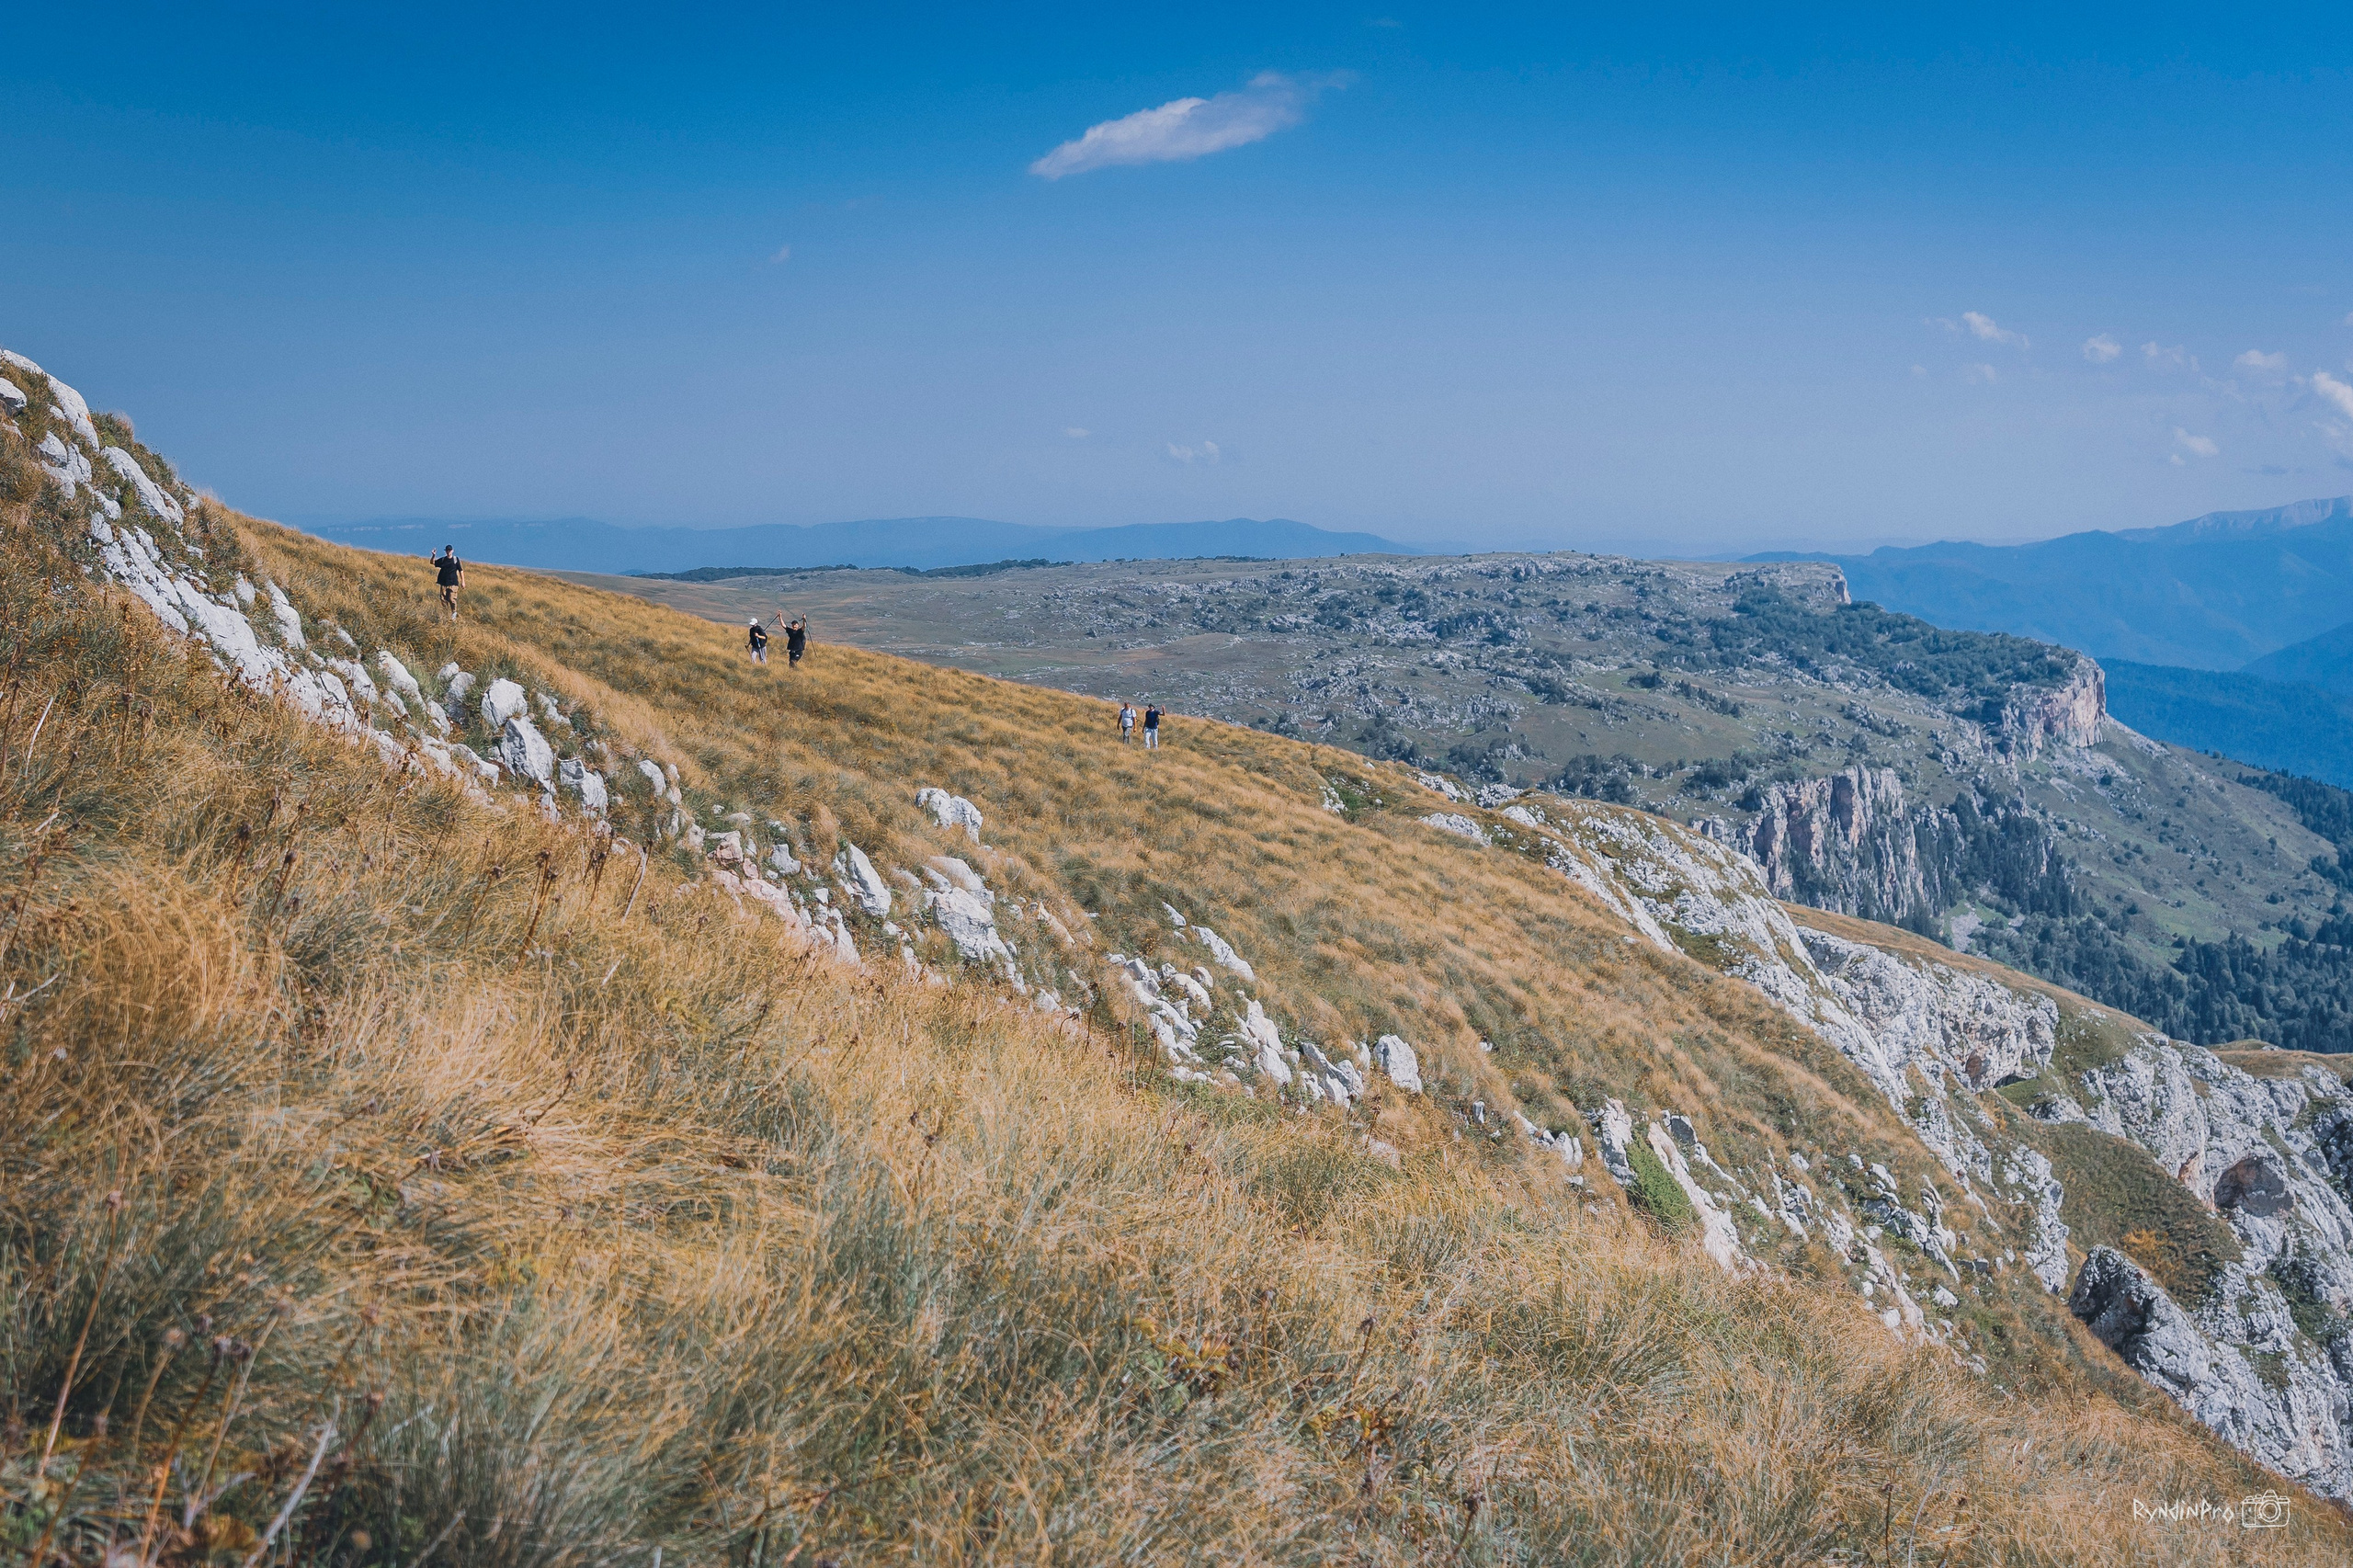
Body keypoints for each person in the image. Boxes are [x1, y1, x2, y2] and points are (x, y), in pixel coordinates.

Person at [433, 546, 464, 620]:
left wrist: (463, 581)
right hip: (443, 583)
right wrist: (433, 555)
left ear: (452, 551)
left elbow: (461, 570)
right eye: (447, 550)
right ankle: (446, 613)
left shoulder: (455, 560)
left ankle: (454, 612)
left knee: (451, 598)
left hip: (453, 583)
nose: (448, 551)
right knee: (443, 598)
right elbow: (433, 563)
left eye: (450, 550)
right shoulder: (443, 560)